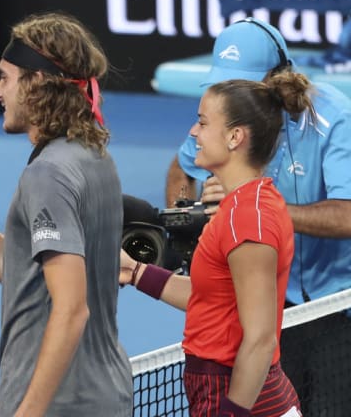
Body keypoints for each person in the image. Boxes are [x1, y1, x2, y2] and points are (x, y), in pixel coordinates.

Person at [0, 12, 133, 416]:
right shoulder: (93, 157)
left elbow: (71, 310)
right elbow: (27, 275)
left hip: (59, 405)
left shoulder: (48, 173)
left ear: (36, 83)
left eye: (5, 78)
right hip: (103, 394)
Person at [165, 18, 351, 415]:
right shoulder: (230, 114)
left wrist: (251, 203)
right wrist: (190, 222)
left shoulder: (334, 116)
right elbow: (181, 170)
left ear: (279, 75)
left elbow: (348, 216)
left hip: (336, 307)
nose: (236, 91)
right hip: (267, 305)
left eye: (246, 81)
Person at [126, 71, 312, 416]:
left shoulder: (248, 219)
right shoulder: (243, 206)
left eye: (202, 122)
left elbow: (259, 340)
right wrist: (135, 272)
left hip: (239, 397)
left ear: (234, 137)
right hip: (233, 391)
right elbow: (211, 296)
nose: (193, 132)